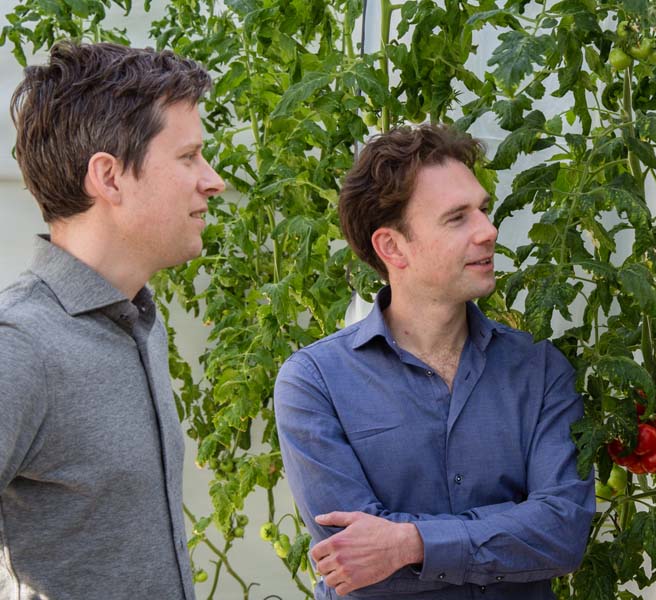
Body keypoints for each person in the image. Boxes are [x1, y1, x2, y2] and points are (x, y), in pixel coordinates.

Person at [274, 124, 594, 599]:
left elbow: (562, 532)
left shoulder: (539, 369)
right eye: (457, 218)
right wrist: (507, 534)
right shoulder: (315, 382)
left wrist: (409, 543)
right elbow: (350, 560)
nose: (488, 231)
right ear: (392, 247)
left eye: (482, 209)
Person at [1, 41, 225, 598]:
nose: (213, 180)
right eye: (188, 157)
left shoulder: (140, 321)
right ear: (109, 177)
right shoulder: (20, 346)